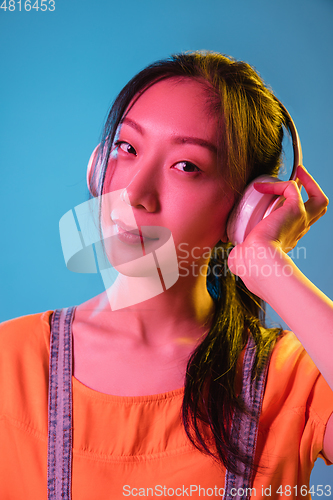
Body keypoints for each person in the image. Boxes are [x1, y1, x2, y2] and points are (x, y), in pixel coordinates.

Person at [0, 52, 332, 500]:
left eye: (187, 166)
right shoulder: (11, 360)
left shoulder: (294, 378)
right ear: (99, 166)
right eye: (127, 147)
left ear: (244, 211)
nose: (135, 193)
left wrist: (270, 267)